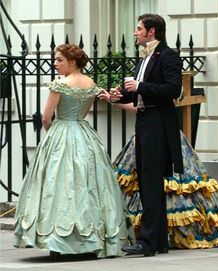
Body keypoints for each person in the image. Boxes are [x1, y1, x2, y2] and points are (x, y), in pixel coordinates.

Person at [14, 44, 135, 258]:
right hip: (83, 133)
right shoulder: (90, 83)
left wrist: (53, 135)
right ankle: (93, 238)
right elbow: (85, 113)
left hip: (61, 131)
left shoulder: (60, 85)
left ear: (72, 61)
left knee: (60, 185)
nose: (55, 63)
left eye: (59, 60)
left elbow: (46, 118)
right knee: (89, 185)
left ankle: (59, 241)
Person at [98, 91, 218, 249]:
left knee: (160, 183)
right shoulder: (147, 77)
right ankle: (157, 237)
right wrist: (113, 99)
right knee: (147, 185)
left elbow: (162, 102)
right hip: (145, 134)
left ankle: (163, 236)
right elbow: (139, 106)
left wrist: (129, 93)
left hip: (163, 135)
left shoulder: (166, 82)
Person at [102, 13, 184, 256]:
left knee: (151, 181)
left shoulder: (168, 56)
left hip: (158, 122)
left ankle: (147, 242)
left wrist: (140, 87)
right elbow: (138, 93)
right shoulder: (145, 57)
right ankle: (158, 241)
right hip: (145, 120)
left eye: (139, 29)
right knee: (149, 181)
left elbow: (173, 89)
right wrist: (119, 96)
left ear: (152, 32)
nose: (135, 32)